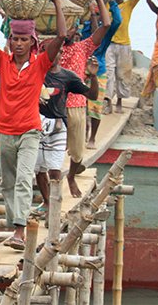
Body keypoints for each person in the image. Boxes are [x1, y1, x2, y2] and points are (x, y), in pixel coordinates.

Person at [0, 0, 67, 250]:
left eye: (23, 40)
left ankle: (19, 230)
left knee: (25, 178)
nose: (18, 43)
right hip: (4, 132)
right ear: (10, 40)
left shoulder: (39, 64)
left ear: (32, 42)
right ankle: (15, 223)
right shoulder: (3, 61)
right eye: (15, 38)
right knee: (9, 183)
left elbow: (61, 35)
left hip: (29, 131)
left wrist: (57, 2)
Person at [59, 0, 112, 197]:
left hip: (76, 104)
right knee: (50, 150)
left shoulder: (82, 48)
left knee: (78, 152)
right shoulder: (52, 47)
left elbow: (105, 26)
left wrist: (98, 0)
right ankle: (53, 184)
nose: (72, 32)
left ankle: (71, 176)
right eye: (70, 27)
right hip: (54, 105)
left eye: (75, 28)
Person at [34, 53, 99, 213]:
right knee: (39, 169)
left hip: (58, 126)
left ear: (60, 55)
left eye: (55, 51)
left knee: (55, 169)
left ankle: (55, 205)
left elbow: (92, 95)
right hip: (36, 124)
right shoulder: (34, 72)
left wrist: (93, 76)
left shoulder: (67, 76)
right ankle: (47, 202)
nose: (51, 55)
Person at [105, 0, 148, 114]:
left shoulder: (128, 5)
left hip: (124, 45)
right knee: (109, 74)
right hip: (109, 44)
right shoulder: (107, 6)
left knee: (123, 75)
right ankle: (108, 101)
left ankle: (119, 101)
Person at [86, 0, 121, 150]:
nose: (95, 17)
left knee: (95, 107)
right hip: (81, 70)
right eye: (93, 13)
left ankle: (92, 138)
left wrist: (112, 1)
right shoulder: (84, 28)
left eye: (98, 14)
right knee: (78, 106)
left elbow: (118, 20)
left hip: (98, 71)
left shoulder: (106, 32)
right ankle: (83, 135)